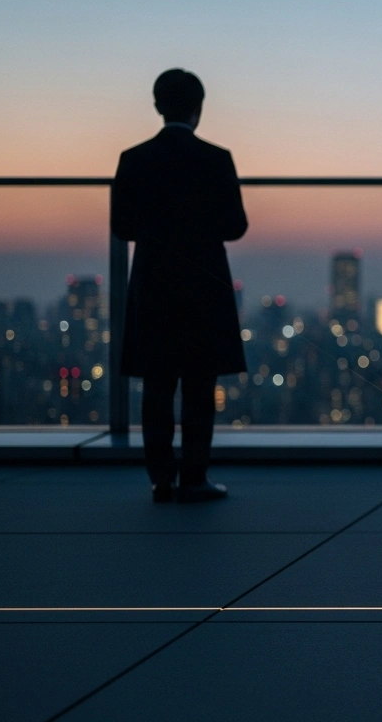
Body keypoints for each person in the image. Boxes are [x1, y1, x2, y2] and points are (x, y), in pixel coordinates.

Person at [112, 68, 248, 503]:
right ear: (198, 108)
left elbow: (121, 226)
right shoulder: (216, 158)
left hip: (153, 282)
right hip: (203, 284)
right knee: (199, 384)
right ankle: (194, 477)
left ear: (157, 106)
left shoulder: (133, 159)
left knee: (157, 383)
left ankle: (160, 480)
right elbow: (235, 226)